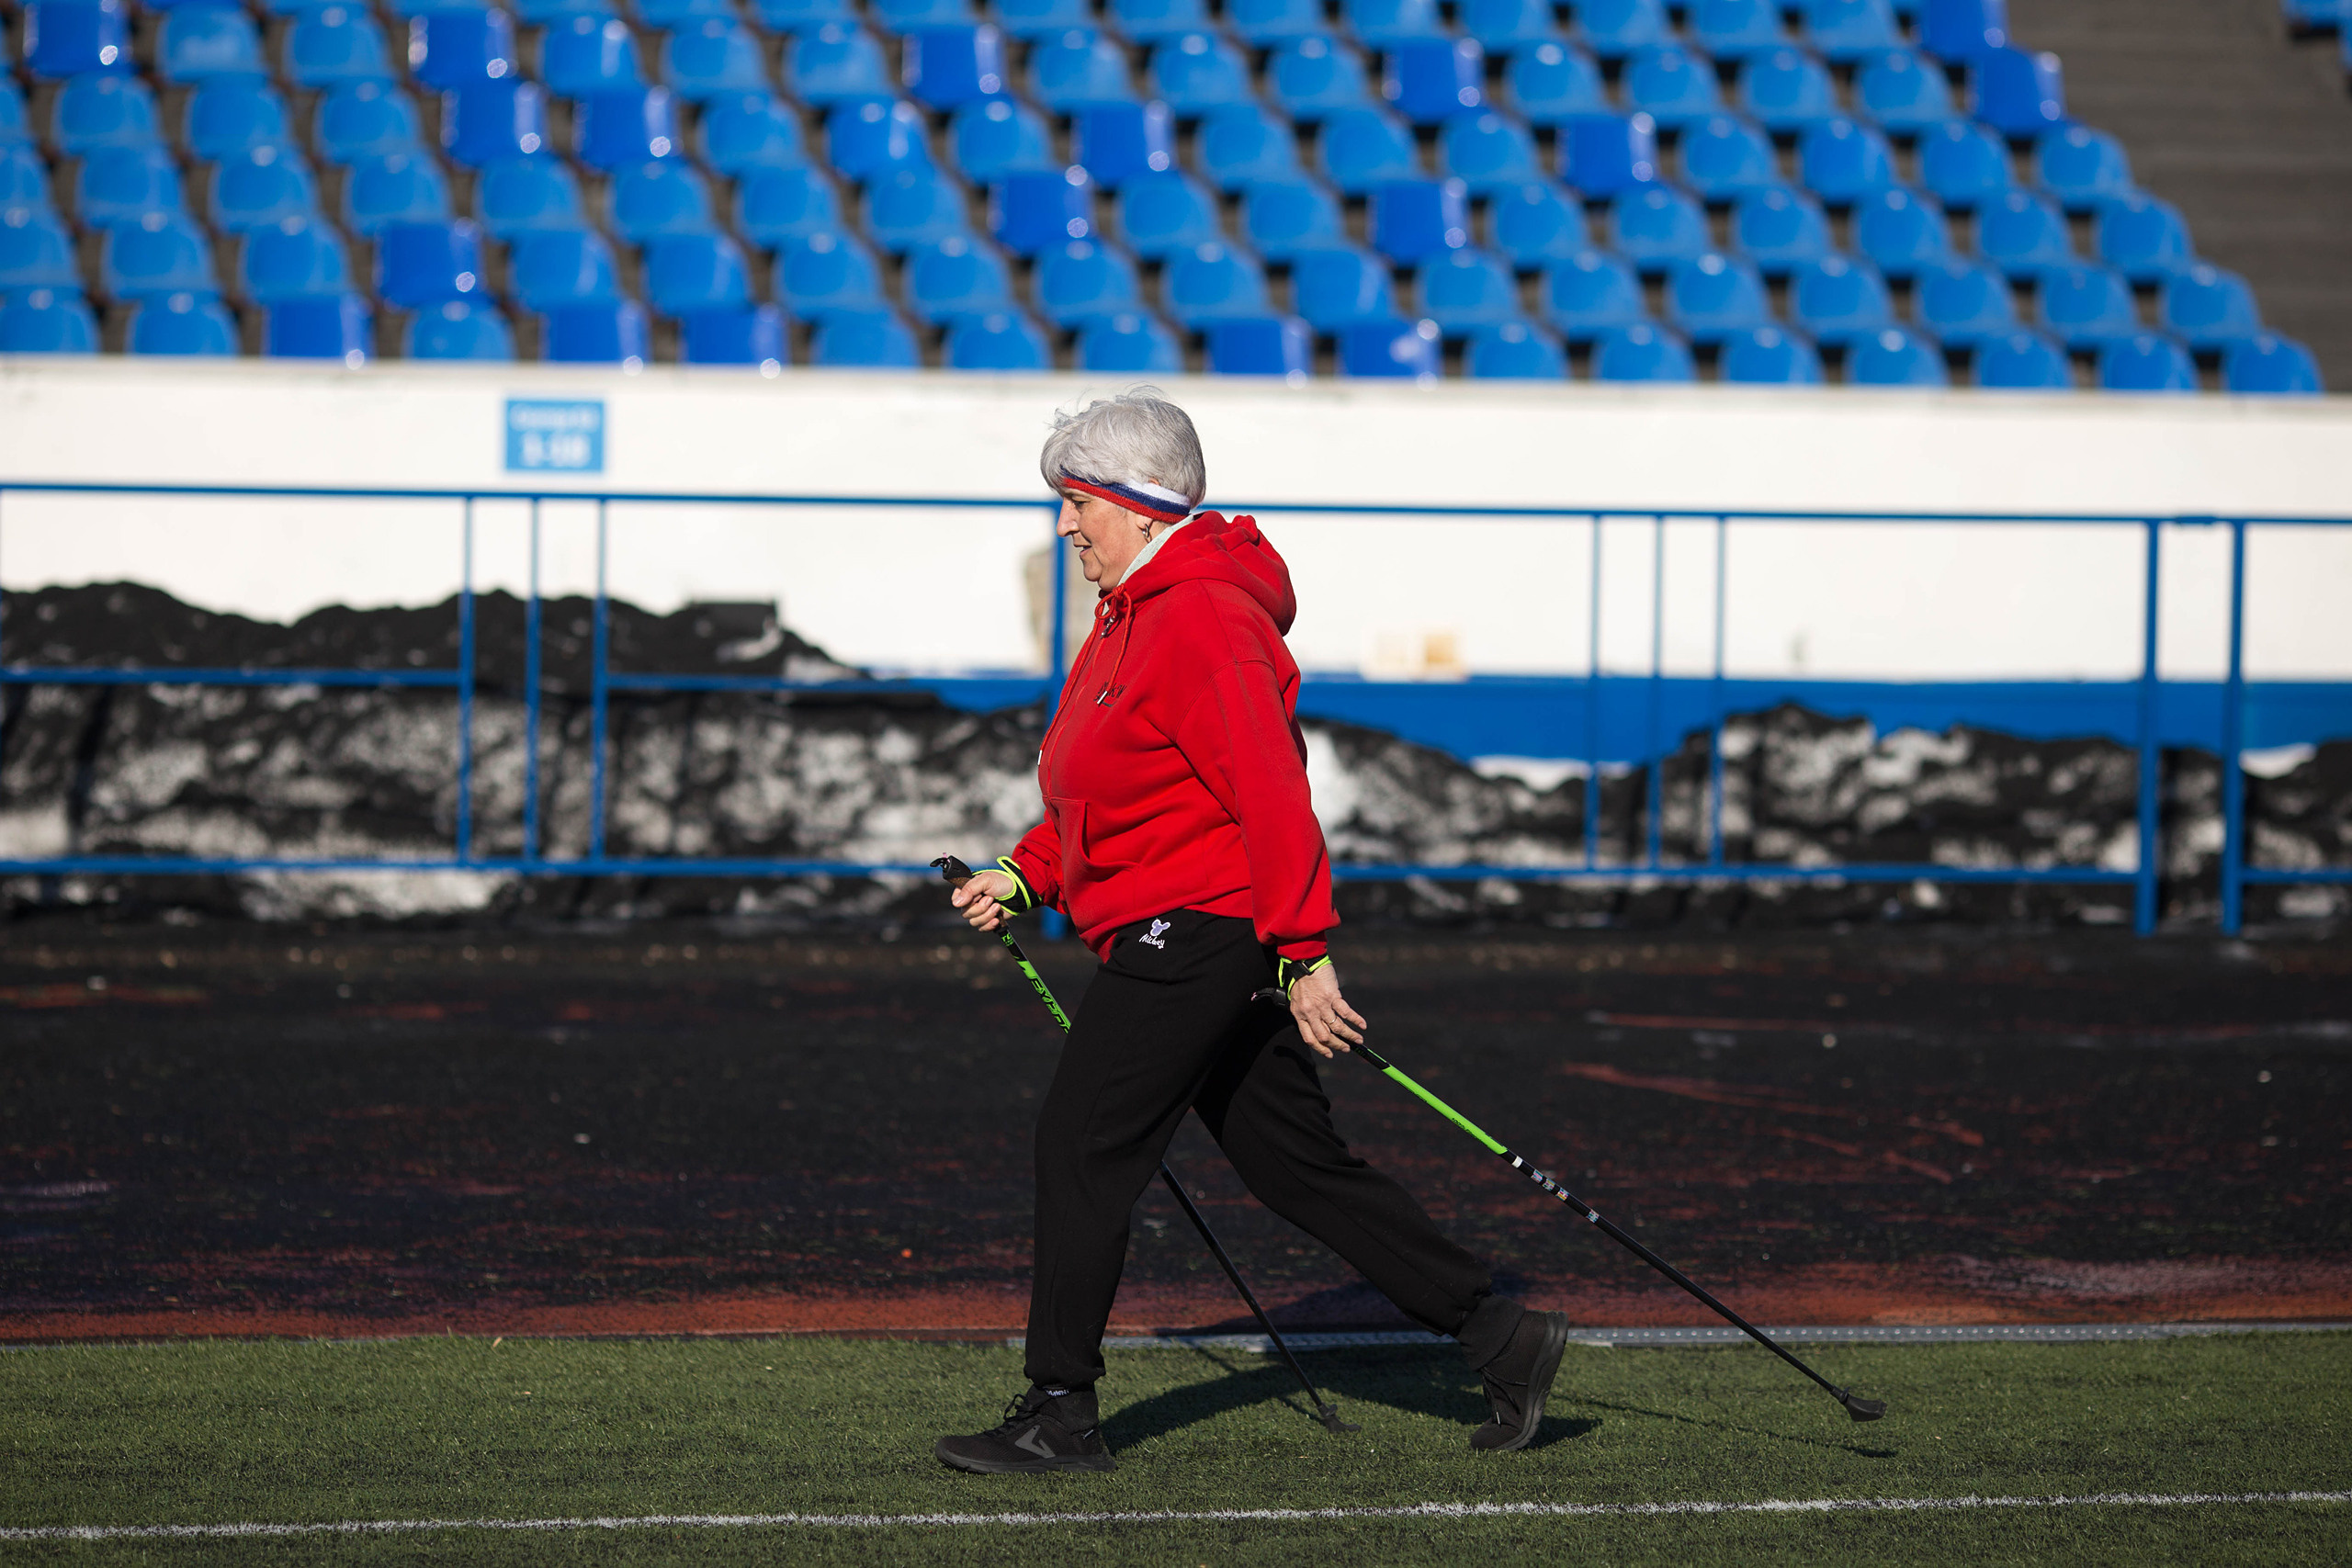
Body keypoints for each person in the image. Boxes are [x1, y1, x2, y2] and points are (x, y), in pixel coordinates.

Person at [933, 389, 1568, 1476]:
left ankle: (1059, 1412)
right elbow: (1111, 801)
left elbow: (1270, 794)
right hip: (1187, 920)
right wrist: (1022, 872)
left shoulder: (1202, 617)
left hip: (1202, 928)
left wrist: (1307, 951)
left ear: (1138, 507)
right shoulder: (1129, 614)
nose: (1065, 524)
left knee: (1081, 1146)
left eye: (1077, 502)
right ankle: (1497, 1331)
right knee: (1296, 1167)